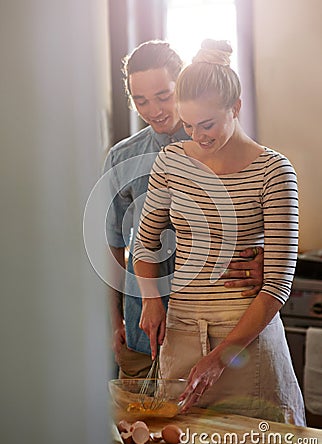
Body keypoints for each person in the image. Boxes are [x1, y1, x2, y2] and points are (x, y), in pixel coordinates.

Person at [133, 39, 306, 425]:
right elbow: (144, 244)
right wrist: (150, 300)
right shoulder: (171, 161)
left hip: (248, 340)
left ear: (236, 108)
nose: (198, 136)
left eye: (208, 124)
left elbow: (277, 286)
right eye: (189, 125)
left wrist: (218, 359)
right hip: (180, 334)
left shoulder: (274, 172)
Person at [105, 40, 264, 380]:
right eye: (141, 100)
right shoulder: (122, 159)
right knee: (146, 425)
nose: (154, 110)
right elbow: (115, 245)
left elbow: (257, 221)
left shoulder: (227, 148)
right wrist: (115, 318)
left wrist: (262, 256)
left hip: (219, 320)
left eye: (163, 96)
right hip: (144, 323)